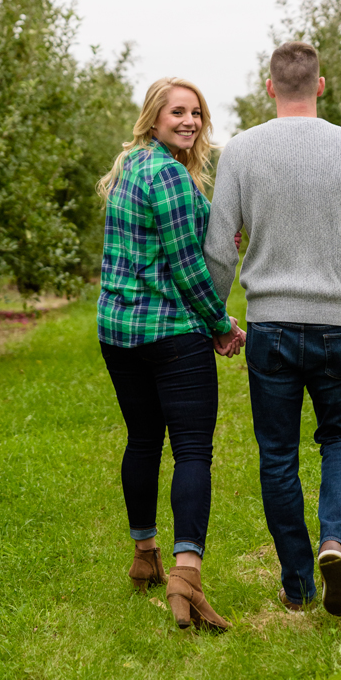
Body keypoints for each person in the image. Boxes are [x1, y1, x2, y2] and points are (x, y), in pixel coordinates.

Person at [205, 41, 341, 616]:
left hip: (271, 327)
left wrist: (217, 319)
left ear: (270, 88)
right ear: (319, 84)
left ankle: (297, 584)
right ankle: (334, 540)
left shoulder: (240, 151)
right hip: (337, 325)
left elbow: (219, 249)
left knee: (277, 454)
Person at [95, 77, 245, 631]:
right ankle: (186, 577)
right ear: (154, 116)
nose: (189, 121)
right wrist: (221, 325)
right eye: (178, 112)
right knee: (192, 452)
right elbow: (188, 269)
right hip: (170, 334)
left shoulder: (129, 166)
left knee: (141, 440)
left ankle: (144, 556)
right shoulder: (171, 179)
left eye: (197, 113)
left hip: (118, 330)